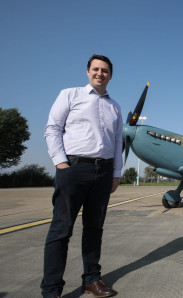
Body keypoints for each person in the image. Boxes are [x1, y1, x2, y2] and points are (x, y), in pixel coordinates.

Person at [41, 54, 122, 298]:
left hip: (104, 171)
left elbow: (118, 143)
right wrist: (61, 162)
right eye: (96, 69)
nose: (100, 73)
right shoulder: (69, 94)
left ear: (110, 75)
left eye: (105, 70)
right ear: (88, 72)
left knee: (94, 228)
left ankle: (91, 279)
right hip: (74, 169)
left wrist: (116, 174)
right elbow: (52, 128)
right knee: (61, 229)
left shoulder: (114, 106)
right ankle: (52, 289)